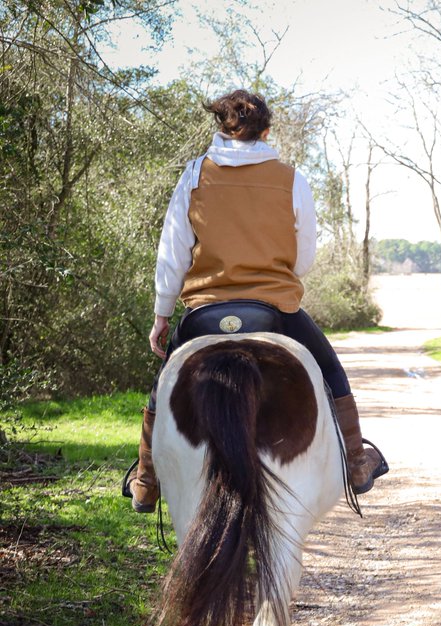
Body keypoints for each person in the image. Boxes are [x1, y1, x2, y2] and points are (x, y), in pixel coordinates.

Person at [124, 89, 387, 511]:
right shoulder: (290, 178)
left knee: (161, 389)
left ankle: (147, 477)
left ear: (221, 130)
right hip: (274, 312)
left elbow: (172, 254)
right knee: (332, 372)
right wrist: (276, 279)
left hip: (203, 312)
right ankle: (356, 461)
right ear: (266, 131)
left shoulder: (194, 175)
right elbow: (303, 257)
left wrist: (162, 314)